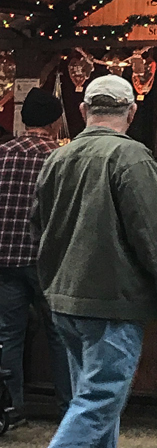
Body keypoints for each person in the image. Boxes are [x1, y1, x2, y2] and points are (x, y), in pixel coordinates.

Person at [2, 76, 157, 448]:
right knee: (99, 400)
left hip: (64, 296)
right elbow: (155, 237)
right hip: (112, 298)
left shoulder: (59, 156)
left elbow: (38, 226)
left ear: (81, 110)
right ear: (131, 112)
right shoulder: (132, 157)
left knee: (92, 398)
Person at [0, 87, 69, 425]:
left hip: (5, 258)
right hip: (48, 262)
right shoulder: (61, 158)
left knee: (7, 335)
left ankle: (9, 408)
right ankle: (69, 408)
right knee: (61, 336)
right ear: (55, 123)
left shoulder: (3, 154)